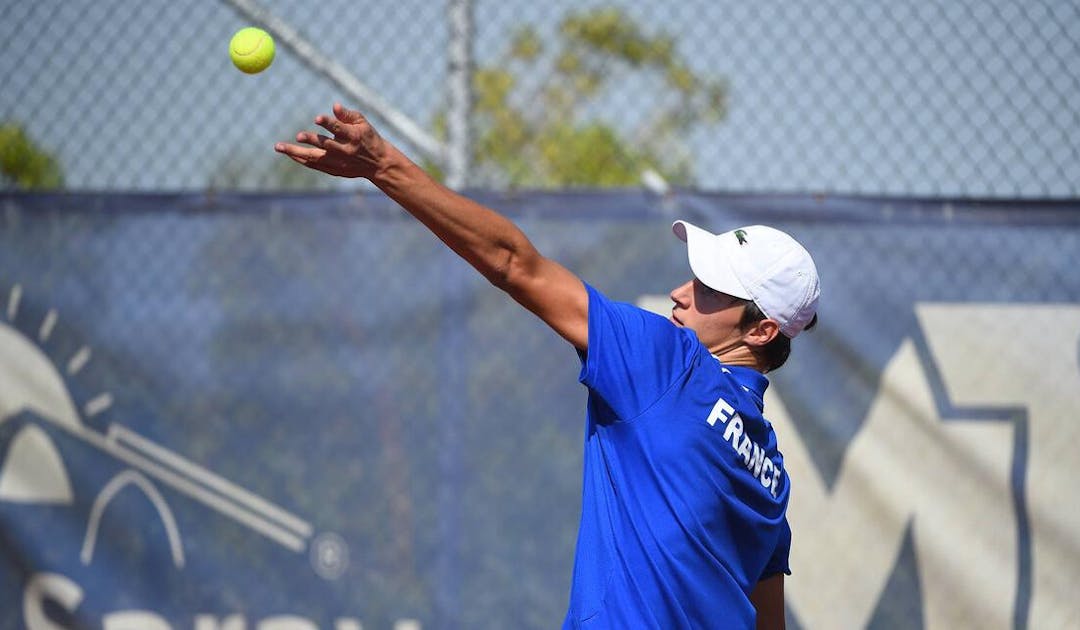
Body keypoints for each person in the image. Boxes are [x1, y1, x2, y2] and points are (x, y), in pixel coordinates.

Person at [275, 103, 820, 629]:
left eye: (706, 289)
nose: (680, 293)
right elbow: (767, 618)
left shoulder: (669, 365)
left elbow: (514, 263)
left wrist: (383, 165)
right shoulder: (770, 470)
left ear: (762, 330)